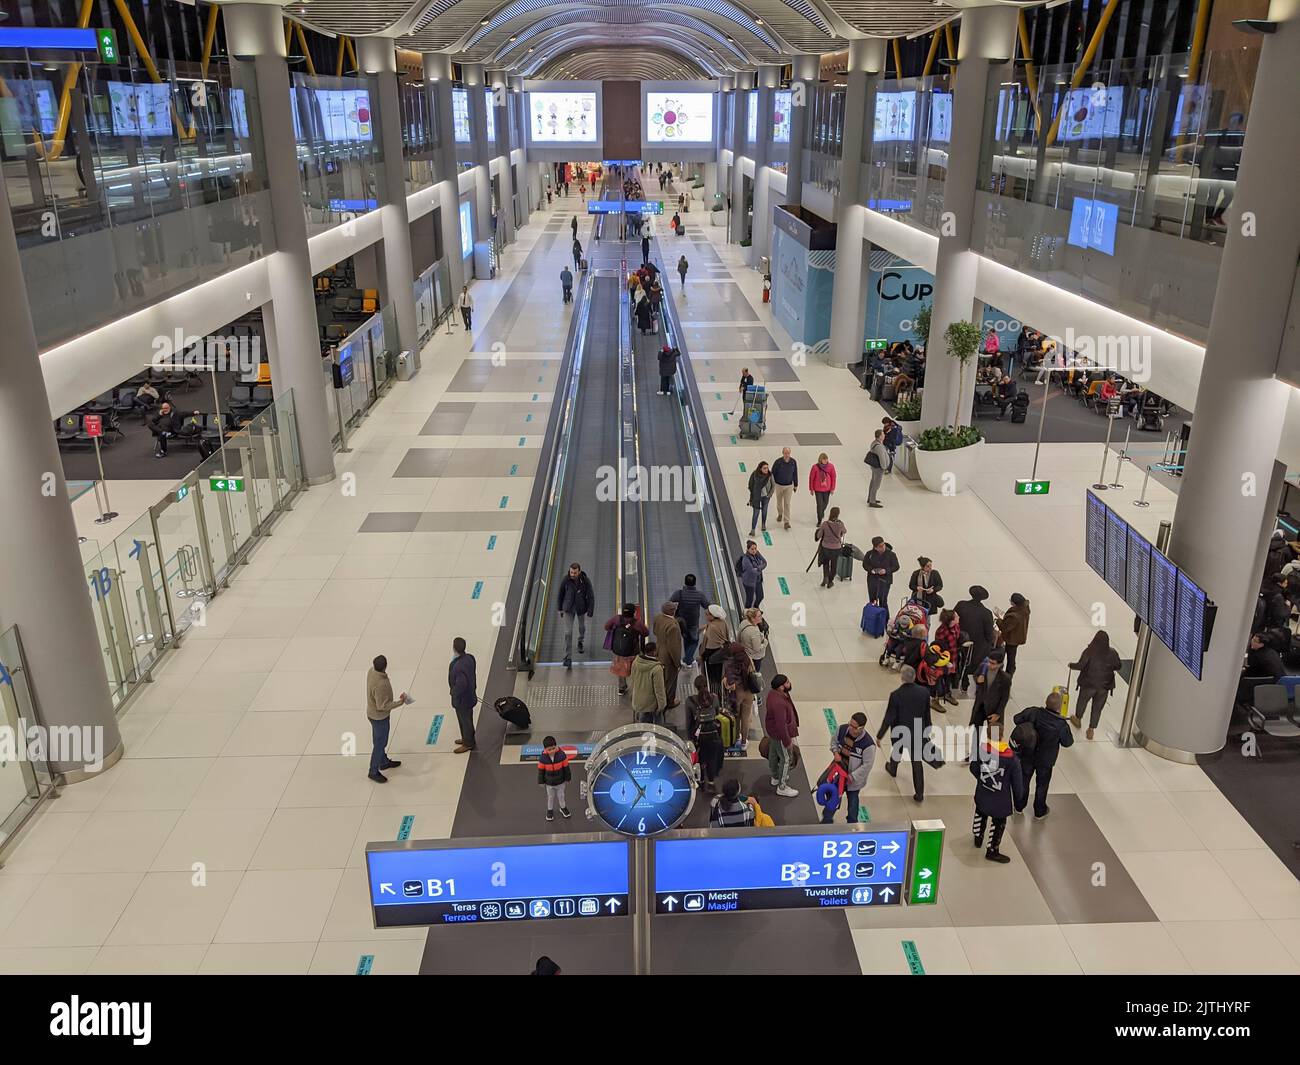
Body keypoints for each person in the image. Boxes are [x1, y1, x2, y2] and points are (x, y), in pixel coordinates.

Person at [1013, 691, 1073, 819]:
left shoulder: (1033, 712)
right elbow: (1068, 742)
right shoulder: (1061, 725)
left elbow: (1016, 719)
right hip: (1046, 760)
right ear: (1059, 707)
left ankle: (1019, 805)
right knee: (1042, 785)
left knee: (1024, 780)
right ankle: (1039, 810)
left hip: (1027, 754)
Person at [877, 665, 932, 803]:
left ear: (902, 678)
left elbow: (889, 717)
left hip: (900, 731)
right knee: (916, 762)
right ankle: (919, 794)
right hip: (918, 731)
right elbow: (927, 714)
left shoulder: (896, 695)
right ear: (914, 677)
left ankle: (893, 768)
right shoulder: (924, 692)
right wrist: (928, 730)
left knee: (897, 750)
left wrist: (879, 735)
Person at [970, 719, 1022, 864]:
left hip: (983, 792)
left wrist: (982, 780)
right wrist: (1019, 799)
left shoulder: (980, 750)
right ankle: (992, 850)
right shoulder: (1011, 758)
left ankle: (978, 836)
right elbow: (1017, 783)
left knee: (980, 812)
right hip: (1001, 799)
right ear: (1002, 735)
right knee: (999, 823)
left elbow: (974, 768)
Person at [1069, 630, 1123, 739]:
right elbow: (1118, 666)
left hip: (1088, 683)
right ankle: (1091, 730)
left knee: (1082, 701)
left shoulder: (1089, 651)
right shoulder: (1113, 653)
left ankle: (1078, 719)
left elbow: (1081, 665)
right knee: (1097, 708)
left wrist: (1071, 665)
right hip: (1104, 686)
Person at [365, 654, 407, 783]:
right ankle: (373, 771)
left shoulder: (371, 671)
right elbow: (382, 706)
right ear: (385, 666)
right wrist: (400, 702)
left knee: (379, 740)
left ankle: (383, 762)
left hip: (372, 714)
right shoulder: (381, 684)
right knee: (380, 743)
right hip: (379, 718)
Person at [830, 713, 877, 823]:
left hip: (853, 781)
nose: (850, 728)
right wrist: (835, 752)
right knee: (833, 799)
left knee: (853, 803)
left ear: (861, 728)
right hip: (839, 774)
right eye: (850, 724)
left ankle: (852, 824)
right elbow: (834, 742)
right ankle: (826, 819)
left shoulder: (868, 745)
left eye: (854, 727)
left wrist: (851, 777)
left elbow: (867, 766)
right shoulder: (842, 730)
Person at [954, 586, 996, 695]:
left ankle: (961, 681)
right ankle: (975, 681)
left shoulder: (961, 605)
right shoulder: (986, 613)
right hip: (977, 645)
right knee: (976, 661)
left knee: (962, 659)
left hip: (960, 640)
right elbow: (988, 633)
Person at [764, 674, 800, 797]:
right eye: (787, 682)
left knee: (773, 753)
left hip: (773, 732)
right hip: (780, 735)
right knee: (786, 759)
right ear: (781, 687)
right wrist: (787, 741)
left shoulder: (773, 694)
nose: (789, 683)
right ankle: (782, 786)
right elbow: (781, 725)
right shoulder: (779, 703)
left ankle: (775, 776)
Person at [556, 562, 595, 669]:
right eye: (571, 572)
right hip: (568, 608)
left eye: (574, 572)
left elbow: (591, 596)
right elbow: (560, 594)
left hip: (581, 608)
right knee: (568, 632)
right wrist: (560, 608)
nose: (572, 574)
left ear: (579, 571)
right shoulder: (566, 580)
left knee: (582, 627)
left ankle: (580, 641)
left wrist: (590, 610)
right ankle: (567, 657)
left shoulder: (585, 581)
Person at [688, 675, 724, 792]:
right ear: (707, 685)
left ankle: (702, 780)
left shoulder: (691, 701)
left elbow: (689, 722)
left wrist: (691, 738)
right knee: (712, 758)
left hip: (699, 735)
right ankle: (711, 781)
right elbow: (718, 714)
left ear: (695, 687)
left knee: (701, 757)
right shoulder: (714, 698)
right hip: (714, 734)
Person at [605, 603, 648, 696]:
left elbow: (606, 627)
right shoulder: (637, 623)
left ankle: (621, 688)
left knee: (621, 668)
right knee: (635, 670)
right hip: (633, 651)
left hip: (618, 651)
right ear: (634, 613)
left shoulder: (617, 619)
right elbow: (646, 633)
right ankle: (635, 689)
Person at [669, 573, 711, 668]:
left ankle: (688, 660)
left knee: (686, 639)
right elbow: (707, 606)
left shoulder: (678, 593)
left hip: (680, 622)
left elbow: (669, 603)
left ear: (685, 582)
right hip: (693, 623)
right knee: (694, 641)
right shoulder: (700, 595)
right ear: (695, 583)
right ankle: (687, 659)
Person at [722, 643, 757, 747]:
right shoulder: (748, 659)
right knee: (745, 718)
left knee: (736, 717)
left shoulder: (730, 665)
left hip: (737, 693)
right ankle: (743, 742)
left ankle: (737, 737)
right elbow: (754, 672)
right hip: (749, 693)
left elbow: (729, 684)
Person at [651, 602, 683, 711]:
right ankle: (669, 702)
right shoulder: (673, 625)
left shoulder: (657, 618)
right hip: (668, 657)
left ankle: (659, 698)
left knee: (661, 678)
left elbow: (655, 632)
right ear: (672, 611)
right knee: (670, 681)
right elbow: (673, 647)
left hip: (658, 651)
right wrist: (677, 662)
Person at [970, 648, 1012, 728]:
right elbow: (975, 675)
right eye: (989, 661)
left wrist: (998, 713)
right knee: (976, 732)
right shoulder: (983, 667)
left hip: (993, 708)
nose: (989, 664)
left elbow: (1005, 697)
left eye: (993, 663)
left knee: (994, 736)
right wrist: (977, 679)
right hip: (980, 705)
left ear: (999, 665)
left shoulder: (1005, 679)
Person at [449, 637, 477, 754]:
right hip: (470, 695)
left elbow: (462, 684)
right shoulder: (470, 658)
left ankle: (468, 743)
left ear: (454, 648)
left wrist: (453, 692)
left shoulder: (459, 666)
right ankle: (467, 738)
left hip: (462, 700)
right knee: (467, 719)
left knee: (465, 720)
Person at [931, 609, 962, 707]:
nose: (959, 617)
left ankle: (947, 693)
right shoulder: (942, 631)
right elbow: (938, 648)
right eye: (956, 616)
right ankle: (935, 698)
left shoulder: (956, 627)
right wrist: (945, 660)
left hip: (953, 657)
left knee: (949, 676)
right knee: (939, 678)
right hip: (943, 659)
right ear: (951, 620)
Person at [630, 640, 667, 722]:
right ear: (654, 652)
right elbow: (659, 689)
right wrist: (662, 705)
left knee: (643, 726)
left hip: (638, 701)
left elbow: (632, 680)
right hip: (651, 704)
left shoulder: (636, 662)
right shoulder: (657, 669)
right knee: (658, 728)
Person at [538, 736, 572, 821]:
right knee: (550, 797)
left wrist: (568, 778)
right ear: (545, 749)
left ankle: (563, 807)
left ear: (556, 746)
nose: (552, 751)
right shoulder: (543, 758)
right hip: (549, 783)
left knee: (561, 796)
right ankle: (550, 810)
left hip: (561, 782)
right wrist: (541, 781)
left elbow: (566, 768)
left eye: (553, 748)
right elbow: (540, 771)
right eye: (549, 750)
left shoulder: (562, 755)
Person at [995, 593, 1031, 675]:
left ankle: (1007, 674)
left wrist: (998, 620)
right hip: (1018, 635)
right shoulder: (1025, 609)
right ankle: (1008, 672)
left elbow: (1005, 627)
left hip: (1012, 638)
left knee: (1009, 656)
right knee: (1012, 655)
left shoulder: (1015, 616)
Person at [814, 505, 846, 589]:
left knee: (825, 563)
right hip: (836, 548)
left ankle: (825, 577)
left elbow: (819, 535)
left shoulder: (825, 524)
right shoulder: (840, 524)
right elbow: (844, 531)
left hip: (825, 547)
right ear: (838, 514)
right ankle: (830, 581)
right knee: (834, 565)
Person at [699, 603, 731, 687]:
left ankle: (715, 692)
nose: (705, 616)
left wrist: (702, 656)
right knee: (719, 673)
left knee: (712, 678)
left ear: (712, 616)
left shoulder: (712, 627)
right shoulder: (722, 622)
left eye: (707, 614)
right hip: (721, 653)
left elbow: (709, 648)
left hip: (712, 656)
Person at [865, 536, 899, 607]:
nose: (883, 547)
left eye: (883, 545)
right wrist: (871, 570)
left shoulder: (891, 554)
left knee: (883, 600)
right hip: (872, 580)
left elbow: (896, 566)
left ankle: (885, 617)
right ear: (875, 547)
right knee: (872, 600)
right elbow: (865, 564)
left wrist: (886, 570)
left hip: (885, 580)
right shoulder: (869, 554)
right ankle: (873, 616)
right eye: (880, 546)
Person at [771, 447, 798, 529]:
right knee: (779, 502)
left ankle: (786, 521)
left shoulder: (793, 462)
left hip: (789, 486)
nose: (787, 455)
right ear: (782, 453)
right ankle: (780, 513)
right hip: (779, 485)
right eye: (785, 453)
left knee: (787, 503)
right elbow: (773, 473)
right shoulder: (778, 462)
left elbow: (795, 473)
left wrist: (796, 484)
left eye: (788, 453)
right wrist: (773, 484)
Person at [738, 539, 767, 609]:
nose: (754, 550)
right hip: (749, 582)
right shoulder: (745, 559)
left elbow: (765, 562)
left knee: (760, 596)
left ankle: (755, 608)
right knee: (749, 600)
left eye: (755, 548)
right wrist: (760, 568)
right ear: (748, 549)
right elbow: (752, 572)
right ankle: (747, 613)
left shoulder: (757, 553)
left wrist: (757, 568)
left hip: (758, 580)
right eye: (752, 549)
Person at [808, 452, 836, 524]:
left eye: (826, 459)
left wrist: (832, 488)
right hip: (818, 489)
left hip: (827, 489)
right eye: (824, 459)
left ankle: (821, 512)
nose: (826, 461)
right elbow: (811, 478)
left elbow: (833, 477)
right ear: (820, 460)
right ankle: (819, 520)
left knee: (825, 503)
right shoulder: (815, 467)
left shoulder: (831, 466)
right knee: (819, 504)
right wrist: (811, 489)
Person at [747, 461, 774, 534]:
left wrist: (769, 495)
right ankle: (753, 529)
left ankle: (763, 524)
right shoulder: (754, 474)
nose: (766, 470)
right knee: (756, 513)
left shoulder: (769, 475)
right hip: (756, 497)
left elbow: (773, 485)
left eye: (767, 468)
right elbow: (750, 484)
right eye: (764, 468)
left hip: (766, 497)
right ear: (760, 469)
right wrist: (753, 494)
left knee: (764, 510)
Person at [865, 429, 890, 508]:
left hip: (874, 467)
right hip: (879, 468)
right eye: (883, 435)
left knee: (873, 482)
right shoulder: (879, 447)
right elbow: (882, 458)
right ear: (879, 436)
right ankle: (872, 501)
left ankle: (870, 498)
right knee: (876, 484)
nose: (884, 436)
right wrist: (884, 467)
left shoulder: (875, 443)